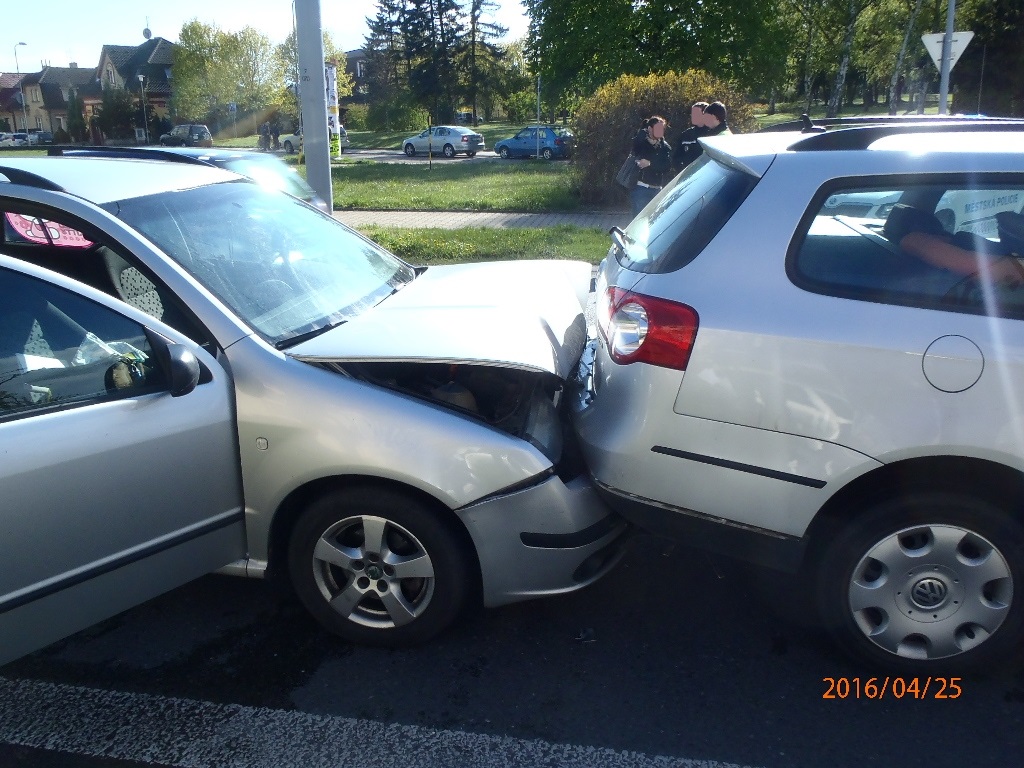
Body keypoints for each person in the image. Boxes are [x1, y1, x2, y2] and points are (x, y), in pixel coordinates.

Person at [628, 115, 673, 217]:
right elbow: (636, 142)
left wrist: (650, 163)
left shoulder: (665, 147)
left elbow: (667, 166)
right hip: (641, 188)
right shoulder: (641, 143)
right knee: (639, 220)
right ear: (650, 129)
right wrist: (644, 131)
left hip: (657, 189)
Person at [672, 101, 710, 174]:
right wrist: (682, 172)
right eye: (692, 113)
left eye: (696, 114)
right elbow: (676, 158)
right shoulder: (686, 135)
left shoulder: (712, 135)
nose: (692, 116)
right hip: (688, 177)